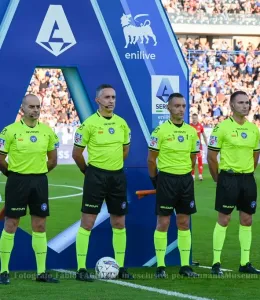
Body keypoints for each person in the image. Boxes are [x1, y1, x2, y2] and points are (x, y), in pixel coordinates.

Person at [72, 84, 133, 281]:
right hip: (95, 177)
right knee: (87, 222)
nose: (111, 101)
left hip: (117, 177)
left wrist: (113, 166)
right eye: (106, 97)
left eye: (113, 97)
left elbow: (125, 151)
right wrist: (87, 171)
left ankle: (121, 266)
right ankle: (81, 268)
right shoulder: (88, 124)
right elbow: (77, 154)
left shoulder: (122, 124)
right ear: (97, 100)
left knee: (119, 222)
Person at [0, 94, 60, 284]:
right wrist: (14, 175)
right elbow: (1, 159)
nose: (35, 110)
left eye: (38, 107)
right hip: (17, 181)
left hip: (39, 182)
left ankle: (41, 272)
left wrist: (38, 173)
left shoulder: (47, 132)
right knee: (11, 224)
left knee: (40, 225)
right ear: (23, 109)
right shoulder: (9, 131)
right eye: (31, 107)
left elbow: (52, 160)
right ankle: (3, 271)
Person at [147, 93, 200, 278]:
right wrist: (156, 180)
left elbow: (193, 158)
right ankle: (160, 266)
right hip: (166, 180)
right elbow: (151, 160)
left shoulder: (192, 132)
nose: (181, 109)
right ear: (168, 108)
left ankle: (185, 266)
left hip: (185, 180)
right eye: (177, 106)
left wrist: (187, 173)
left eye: (183, 106)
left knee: (184, 222)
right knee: (163, 222)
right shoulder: (160, 131)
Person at [207, 91, 260, 276]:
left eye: (247, 102)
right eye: (241, 103)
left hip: (247, 179)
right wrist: (218, 178)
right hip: (228, 179)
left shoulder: (253, 129)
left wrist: (248, 171)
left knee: (247, 220)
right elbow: (211, 157)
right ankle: (216, 263)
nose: (245, 106)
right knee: (224, 219)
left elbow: (256, 154)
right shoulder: (221, 128)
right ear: (231, 105)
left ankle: (245, 263)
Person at [190, 113, 208, 181]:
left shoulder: (200, 126)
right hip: (191, 147)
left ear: (197, 119)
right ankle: (193, 175)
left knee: (200, 160)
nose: (194, 120)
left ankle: (200, 175)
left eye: (196, 118)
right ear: (192, 118)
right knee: (192, 161)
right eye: (193, 118)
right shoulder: (189, 126)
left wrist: (206, 144)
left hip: (199, 146)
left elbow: (204, 135)